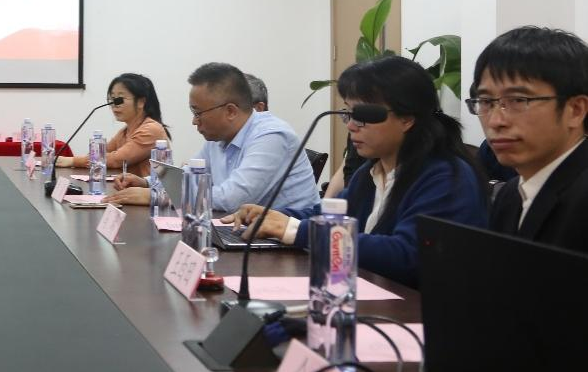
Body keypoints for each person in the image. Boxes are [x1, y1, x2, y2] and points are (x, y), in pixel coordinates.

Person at [228, 55, 488, 288]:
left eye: (363, 115)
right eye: (348, 113)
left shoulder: (446, 177)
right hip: (370, 298)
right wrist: (274, 216)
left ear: (407, 118)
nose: (351, 125)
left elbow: (407, 255)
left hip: (416, 315)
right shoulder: (371, 171)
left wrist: (295, 230)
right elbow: (328, 215)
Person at [107, 63, 319, 211]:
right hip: (241, 233)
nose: (194, 121)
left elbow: (232, 199)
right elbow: (188, 176)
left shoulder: (271, 136)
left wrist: (158, 196)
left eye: (198, 113)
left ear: (230, 111)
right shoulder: (219, 137)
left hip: (286, 249)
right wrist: (146, 183)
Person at [471, 26, 588, 253]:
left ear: (575, 110)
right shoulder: (510, 194)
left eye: (518, 100)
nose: (495, 121)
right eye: (485, 102)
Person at [56, 73, 170, 176]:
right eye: (112, 99)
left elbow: (117, 160)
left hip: (149, 192)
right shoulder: (125, 131)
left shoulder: (151, 129)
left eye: (120, 99)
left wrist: (71, 161)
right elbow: (100, 154)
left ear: (141, 102)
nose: (114, 104)